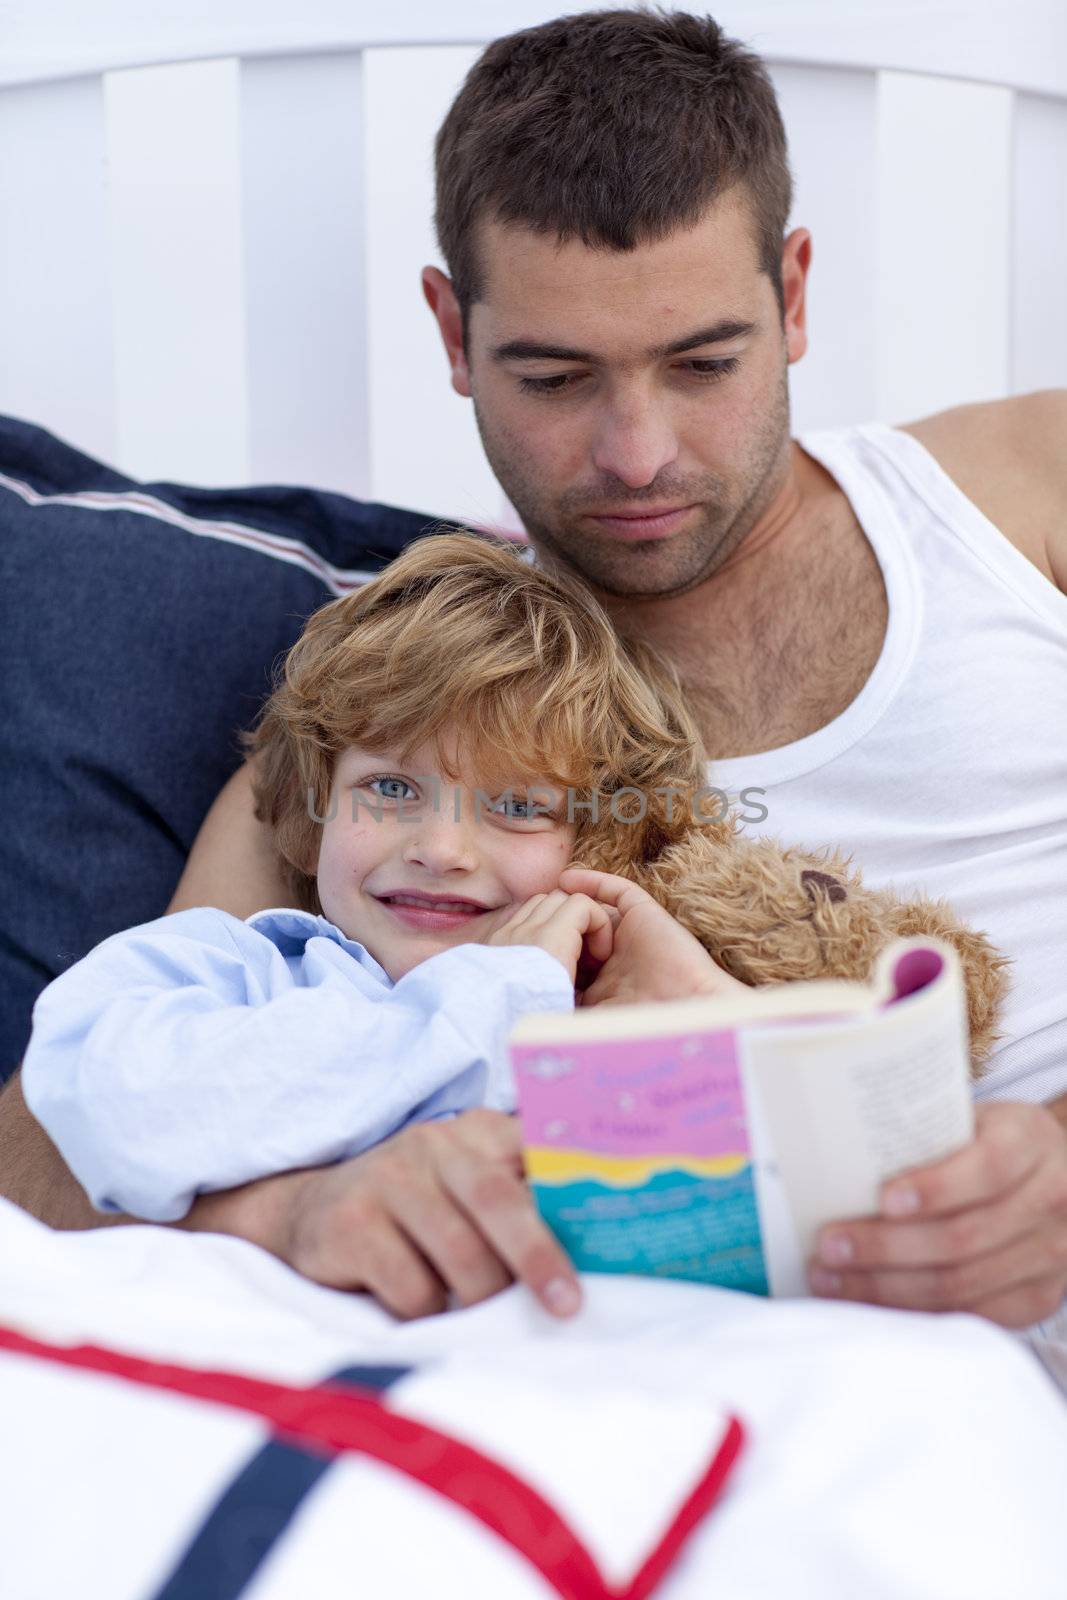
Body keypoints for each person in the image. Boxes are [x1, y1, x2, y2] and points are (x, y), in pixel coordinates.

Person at [3, 8, 1066, 1332]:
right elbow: (39, 1155)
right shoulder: (396, 740)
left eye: (700, 364)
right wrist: (292, 1217)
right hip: (726, 1399)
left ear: (790, 296)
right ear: (452, 334)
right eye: (554, 376)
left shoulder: (1023, 487)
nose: (633, 452)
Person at [20, 532, 742, 1260]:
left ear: (597, 848)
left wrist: (697, 995)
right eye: (390, 788)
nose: (439, 849)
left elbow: (773, 1179)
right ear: (314, 813)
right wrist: (493, 993)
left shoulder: (603, 1029)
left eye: (519, 807)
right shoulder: (229, 968)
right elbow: (126, 1110)